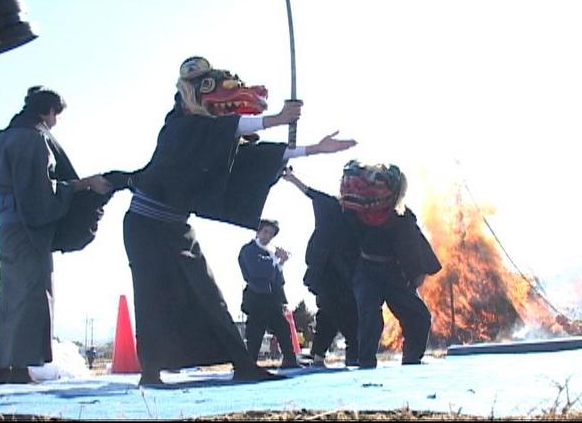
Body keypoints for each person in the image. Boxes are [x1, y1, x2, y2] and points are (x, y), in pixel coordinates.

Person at [122, 56, 357, 386]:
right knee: (152, 295)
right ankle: (150, 371)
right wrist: (277, 118)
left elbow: (252, 155)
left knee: (208, 292)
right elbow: (225, 128)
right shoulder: (179, 125)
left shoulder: (212, 134)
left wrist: (313, 149)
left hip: (176, 225)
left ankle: (242, 363)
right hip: (145, 224)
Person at [0, 86, 114, 385]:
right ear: (47, 111)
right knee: (31, 293)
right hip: (27, 229)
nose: (56, 121)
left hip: (6, 226)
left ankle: (1, 366)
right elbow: (40, 194)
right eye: (56, 115)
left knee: (9, 294)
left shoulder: (2, 138)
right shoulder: (34, 139)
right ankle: (19, 368)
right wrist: (82, 185)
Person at [338, 160, 442, 368]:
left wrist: (416, 272)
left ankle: (412, 360)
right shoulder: (355, 210)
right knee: (370, 317)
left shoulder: (401, 217)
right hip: (366, 271)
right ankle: (366, 364)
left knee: (419, 316)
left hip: (393, 273)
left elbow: (413, 244)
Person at [282, 168, 360, 367]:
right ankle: (348, 357)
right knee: (339, 314)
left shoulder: (360, 213)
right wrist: (292, 178)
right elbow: (310, 192)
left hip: (349, 274)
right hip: (327, 273)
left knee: (330, 315)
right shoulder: (331, 205)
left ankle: (320, 355)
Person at [238, 219, 299, 368]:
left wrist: (280, 263)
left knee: (283, 329)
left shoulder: (270, 254)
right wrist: (275, 260)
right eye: (265, 231)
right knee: (255, 332)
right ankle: (250, 363)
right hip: (256, 297)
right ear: (258, 232)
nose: (268, 236)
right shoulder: (248, 250)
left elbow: (277, 279)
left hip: (272, 299)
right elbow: (255, 271)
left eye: (271, 233)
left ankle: (290, 360)